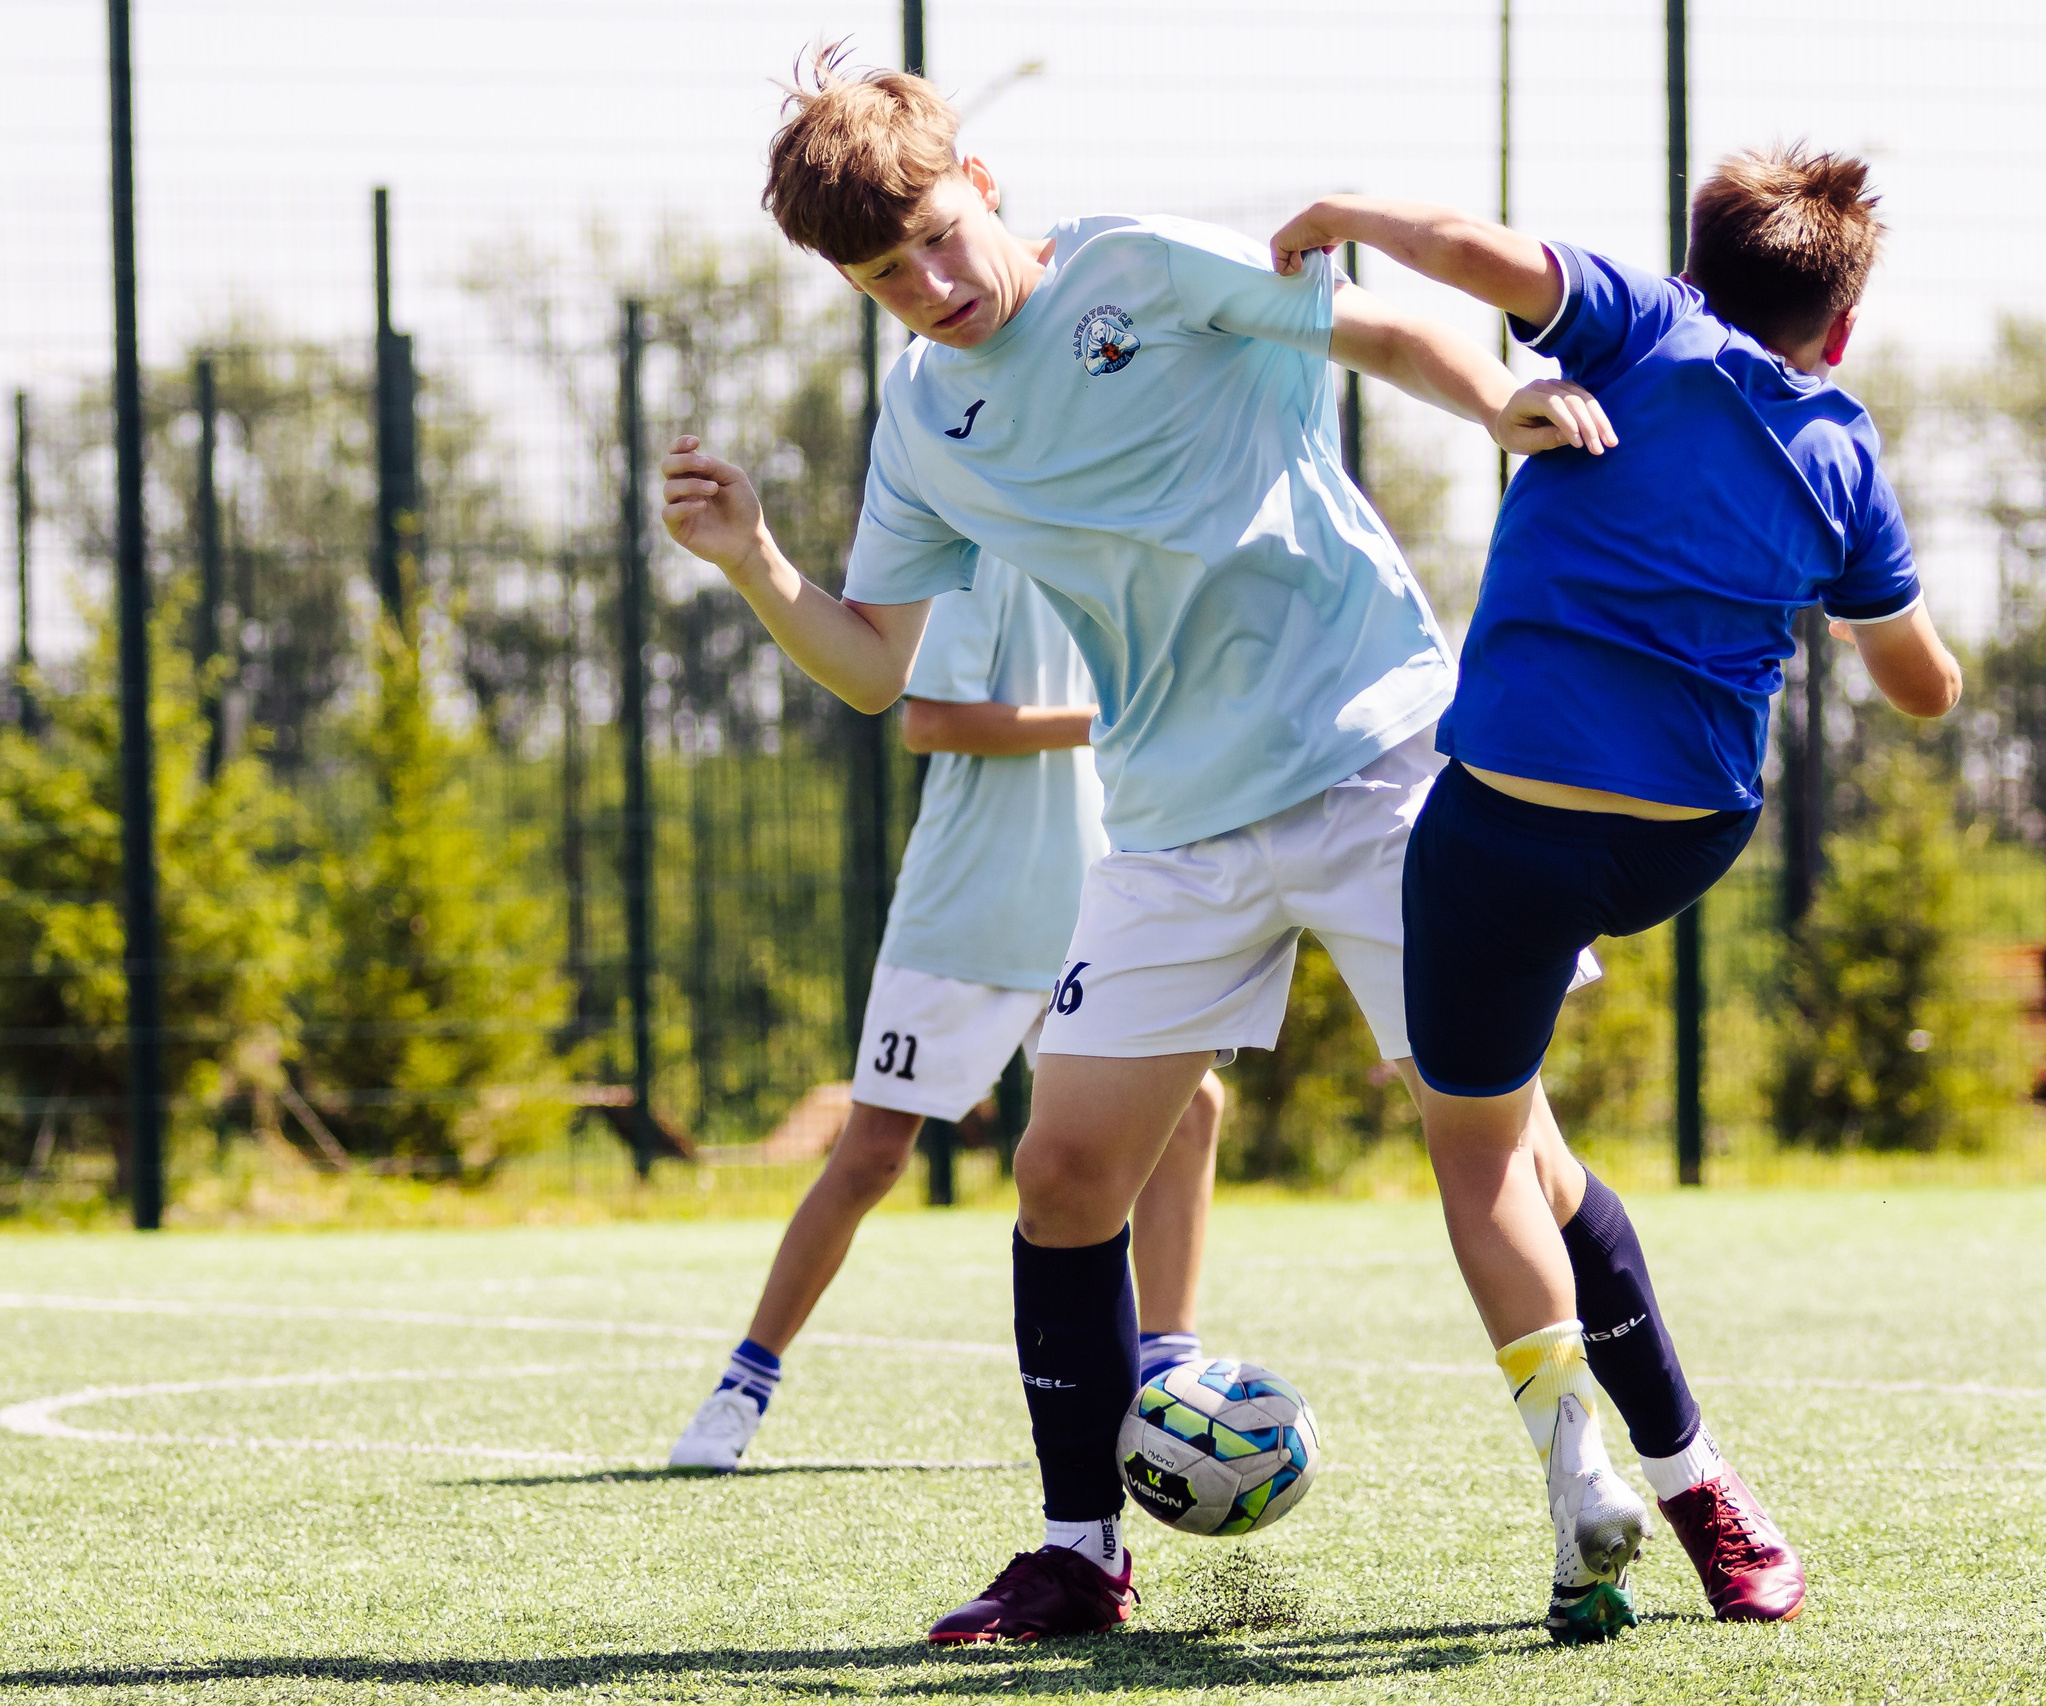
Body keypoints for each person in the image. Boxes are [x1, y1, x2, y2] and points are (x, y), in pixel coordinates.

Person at [661, 54, 1648, 1648]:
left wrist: (1500, 404)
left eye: (930, 238)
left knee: (1506, 1150)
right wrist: (758, 559)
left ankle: (1599, 1485)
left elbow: (1374, 328)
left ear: (976, 179)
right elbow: (877, 666)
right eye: (880, 278)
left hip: (1378, 757)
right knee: (1059, 1171)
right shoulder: (926, 423)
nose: (926, 288)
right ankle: (1078, 1552)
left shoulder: (1133, 264)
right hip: (1178, 818)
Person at [1268, 144, 1967, 1627]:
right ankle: (1703, 1484)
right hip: (1681, 837)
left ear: (1700, 271)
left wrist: (1342, 215)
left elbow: (1465, 241)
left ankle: (1575, 1463)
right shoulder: (1844, 449)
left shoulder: (1647, 322)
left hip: (1509, 822)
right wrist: (1896, 628)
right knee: (1538, 1148)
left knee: (1476, 1159)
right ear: (1838, 329)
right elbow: (1918, 685)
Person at [668, 556, 1224, 1473]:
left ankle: (1168, 1374)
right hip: (964, 915)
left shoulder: (1113, 548)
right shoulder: (980, 557)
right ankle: (742, 1386)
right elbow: (930, 722)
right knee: (873, 1154)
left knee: (1193, 1108)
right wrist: (1110, 721)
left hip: (1089, 910)